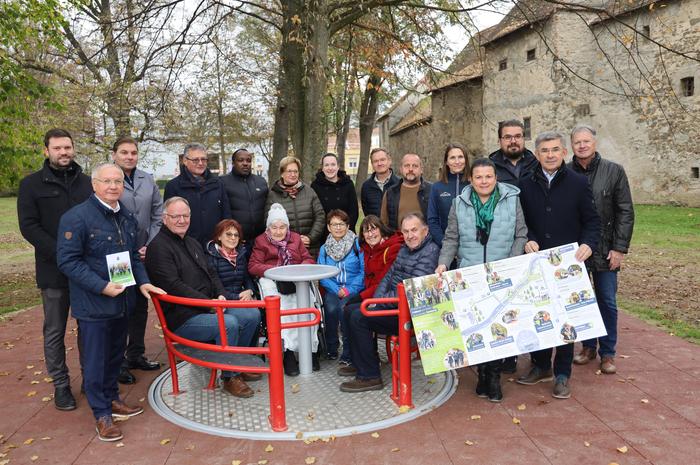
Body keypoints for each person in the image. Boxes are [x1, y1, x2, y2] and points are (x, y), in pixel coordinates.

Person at [56, 163, 164, 441]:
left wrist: (143, 282)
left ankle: (112, 398)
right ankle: (101, 413)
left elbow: (130, 257)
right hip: (94, 305)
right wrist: (102, 286)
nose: (114, 186)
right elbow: (68, 260)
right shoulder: (77, 218)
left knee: (116, 356)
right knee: (95, 361)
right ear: (94, 185)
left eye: (118, 181)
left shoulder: (125, 217)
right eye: (107, 181)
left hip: (122, 302)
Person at [145, 197, 261, 398]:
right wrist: (210, 305)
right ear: (164, 218)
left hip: (208, 304)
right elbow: (173, 286)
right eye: (175, 216)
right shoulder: (158, 248)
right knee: (229, 323)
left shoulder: (191, 242)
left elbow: (211, 273)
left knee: (251, 315)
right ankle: (229, 376)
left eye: (185, 216)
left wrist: (221, 295)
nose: (181, 220)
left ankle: (237, 363)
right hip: (183, 315)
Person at [436, 158, 528, 402]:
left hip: (502, 274)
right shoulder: (459, 203)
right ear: (471, 179)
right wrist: (444, 263)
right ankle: (482, 373)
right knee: (477, 328)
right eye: (479, 177)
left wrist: (511, 262)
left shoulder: (511, 200)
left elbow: (521, 234)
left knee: (497, 328)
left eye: (488, 176)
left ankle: (494, 377)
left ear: (495, 178)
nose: (484, 181)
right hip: (471, 274)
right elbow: (451, 238)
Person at [516, 131, 600, 399]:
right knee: (538, 315)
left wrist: (588, 243)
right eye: (544, 150)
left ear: (563, 152)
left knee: (565, 319)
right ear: (537, 154)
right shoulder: (526, 184)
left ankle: (562, 373)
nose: (550, 155)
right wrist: (528, 239)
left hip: (569, 265)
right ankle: (540, 365)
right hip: (537, 262)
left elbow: (592, 221)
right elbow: (524, 222)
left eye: (555, 150)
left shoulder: (578, 182)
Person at [17, 128, 93, 411]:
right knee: (55, 330)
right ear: (46, 150)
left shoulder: (87, 183)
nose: (64, 153)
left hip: (87, 272)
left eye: (68, 147)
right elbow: (29, 226)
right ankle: (61, 385)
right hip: (53, 271)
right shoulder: (31, 185)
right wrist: (63, 254)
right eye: (58, 148)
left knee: (89, 327)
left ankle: (91, 378)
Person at [340, 213, 439, 392]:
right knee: (350, 309)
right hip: (392, 304)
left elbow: (411, 290)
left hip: (408, 312)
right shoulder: (405, 249)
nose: (410, 235)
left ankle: (369, 376)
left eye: (414, 230)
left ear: (425, 231)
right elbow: (388, 277)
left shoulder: (429, 252)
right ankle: (362, 360)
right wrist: (377, 301)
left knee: (358, 317)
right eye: (406, 231)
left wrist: (378, 305)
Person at [569, 125, 634, 374]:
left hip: (607, 249)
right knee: (582, 301)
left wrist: (619, 248)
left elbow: (625, 211)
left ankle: (608, 352)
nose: (582, 146)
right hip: (577, 251)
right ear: (572, 145)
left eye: (586, 141)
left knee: (607, 301)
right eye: (577, 142)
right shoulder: (566, 173)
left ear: (594, 143)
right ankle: (587, 347)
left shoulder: (614, 171)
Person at [110, 136, 164, 385]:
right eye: (124, 152)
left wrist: (149, 245)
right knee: (122, 305)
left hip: (144, 251)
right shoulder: (109, 179)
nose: (129, 156)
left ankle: (136, 354)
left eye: (133, 152)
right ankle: (117, 361)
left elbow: (157, 213)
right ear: (114, 155)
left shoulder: (147, 179)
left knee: (142, 303)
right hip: (118, 256)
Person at [248, 203, 317, 376]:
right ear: (268, 228)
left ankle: (309, 349)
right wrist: (275, 271)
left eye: (282, 227)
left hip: (295, 280)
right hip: (273, 281)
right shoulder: (261, 241)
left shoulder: (295, 238)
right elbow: (253, 266)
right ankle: (287, 353)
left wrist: (299, 268)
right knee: (283, 310)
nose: (278, 231)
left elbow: (308, 259)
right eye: (274, 227)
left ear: (287, 226)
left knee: (309, 305)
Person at [336, 215, 403, 375]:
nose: (370, 234)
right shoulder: (367, 249)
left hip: (387, 299)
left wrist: (361, 297)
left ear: (381, 229)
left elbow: (383, 282)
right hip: (374, 295)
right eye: (366, 231)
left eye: (374, 229)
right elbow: (367, 277)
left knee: (356, 313)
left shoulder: (392, 248)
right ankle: (359, 359)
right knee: (347, 309)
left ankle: (369, 372)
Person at [316, 210, 364, 364]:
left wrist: (349, 290)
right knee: (330, 309)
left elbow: (364, 271)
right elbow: (322, 273)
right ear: (328, 227)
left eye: (341, 224)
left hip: (353, 288)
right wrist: (336, 290)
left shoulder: (357, 244)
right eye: (334, 224)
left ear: (348, 226)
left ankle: (348, 352)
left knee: (345, 311)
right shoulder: (324, 249)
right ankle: (331, 347)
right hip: (332, 288)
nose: (338, 228)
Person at [206, 218, 262, 349]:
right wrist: (238, 298)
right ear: (219, 236)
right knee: (252, 315)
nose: (233, 238)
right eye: (228, 234)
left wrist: (250, 291)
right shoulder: (211, 257)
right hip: (222, 302)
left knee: (256, 313)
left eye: (236, 235)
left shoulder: (240, 254)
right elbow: (215, 287)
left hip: (239, 299)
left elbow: (247, 278)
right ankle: (238, 355)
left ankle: (247, 353)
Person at [164, 143, 231, 245]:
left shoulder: (218, 184)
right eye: (195, 160)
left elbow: (226, 214)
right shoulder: (173, 186)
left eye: (203, 159)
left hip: (214, 245)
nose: (200, 163)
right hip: (186, 246)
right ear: (185, 161)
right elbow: (169, 220)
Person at [265, 156, 325, 257]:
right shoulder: (273, 195)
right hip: (285, 249)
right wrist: (292, 241)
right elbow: (268, 223)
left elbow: (320, 216)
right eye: (289, 171)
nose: (293, 174)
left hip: (310, 249)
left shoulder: (309, 191)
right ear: (282, 173)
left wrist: (310, 238)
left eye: (295, 171)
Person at [220, 148, 269, 246]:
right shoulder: (222, 182)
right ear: (233, 163)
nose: (245, 163)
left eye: (248, 160)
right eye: (241, 160)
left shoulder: (261, 181)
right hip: (235, 241)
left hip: (260, 240)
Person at [427, 143, 470, 246]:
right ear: (446, 161)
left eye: (460, 157)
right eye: (452, 158)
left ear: (466, 160)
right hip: (445, 245)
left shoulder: (474, 185)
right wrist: (445, 245)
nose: (457, 161)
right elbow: (432, 220)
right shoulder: (437, 187)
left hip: (471, 247)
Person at [380, 153, 432, 231]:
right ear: (401, 169)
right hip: (398, 240)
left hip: (427, 240)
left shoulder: (432, 190)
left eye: (415, 166)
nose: (410, 169)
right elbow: (384, 223)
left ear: (421, 170)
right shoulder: (391, 193)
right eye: (407, 166)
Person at [310, 153, 359, 235]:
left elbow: (354, 211)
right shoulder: (315, 186)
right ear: (322, 168)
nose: (330, 168)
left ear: (338, 166)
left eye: (333, 164)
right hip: (324, 233)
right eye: (326, 165)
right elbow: (315, 213)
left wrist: (346, 230)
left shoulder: (348, 184)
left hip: (347, 232)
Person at [488, 119, 538, 187]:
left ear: (524, 138)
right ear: (500, 141)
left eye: (517, 136)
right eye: (508, 137)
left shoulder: (536, 164)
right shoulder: (489, 167)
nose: (513, 141)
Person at [360, 148, 399, 218]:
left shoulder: (400, 184)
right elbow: (367, 212)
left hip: (396, 228)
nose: (379, 163)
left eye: (382, 160)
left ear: (389, 161)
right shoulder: (366, 186)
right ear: (372, 164)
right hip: (376, 227)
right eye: (375, 161)